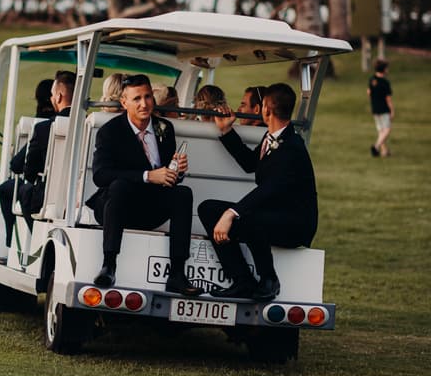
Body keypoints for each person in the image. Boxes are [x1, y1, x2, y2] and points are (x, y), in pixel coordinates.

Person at [197, 83, 318, 301]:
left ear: (266, 110)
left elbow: (268, 189)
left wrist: (231, 213)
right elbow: (249, 163)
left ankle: (269, 280)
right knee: (207, 209)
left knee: (249, 218)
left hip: (294, 223)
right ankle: (242, 280)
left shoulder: (291, 146)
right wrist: (226, 130)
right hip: (271, 215)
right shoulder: (270, 138)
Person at [85, 74, 200, 295]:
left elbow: (166, 176)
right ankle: (109, 264)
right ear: (124, 103)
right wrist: (148, 175)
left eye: (148, 96)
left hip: (151, 205)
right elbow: (101, 175)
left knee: (183, 193)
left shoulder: (164, 128)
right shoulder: (110, 131)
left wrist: (177, 171)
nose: (144, 103)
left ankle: (177, 273)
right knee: (119, 186)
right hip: (117, 205)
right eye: (137, 98)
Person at [0, 78, 56, 250]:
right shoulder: (87, 123)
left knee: (7, 188)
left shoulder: (42, 127)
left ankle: (11, 242)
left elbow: (17, 165)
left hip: (43, 192)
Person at [17, 70, 76, 229]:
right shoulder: (89, 125)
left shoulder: (44, 128)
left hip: (49, 200)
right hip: (80, 198)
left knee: (25, 190)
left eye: (52, 94)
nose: (51, 98)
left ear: (58, 96)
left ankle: (33, 237)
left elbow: (29, 171)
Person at [367, 59, 394, 157]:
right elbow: (388, 99)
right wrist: (392, 110)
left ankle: (384, 151)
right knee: (387, 130)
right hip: (384, 109)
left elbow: (369, 92)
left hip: (375, 108)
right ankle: (376, 147)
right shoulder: (385, 82)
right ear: (384, 69)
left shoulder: (372, 79)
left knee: (381, 131)